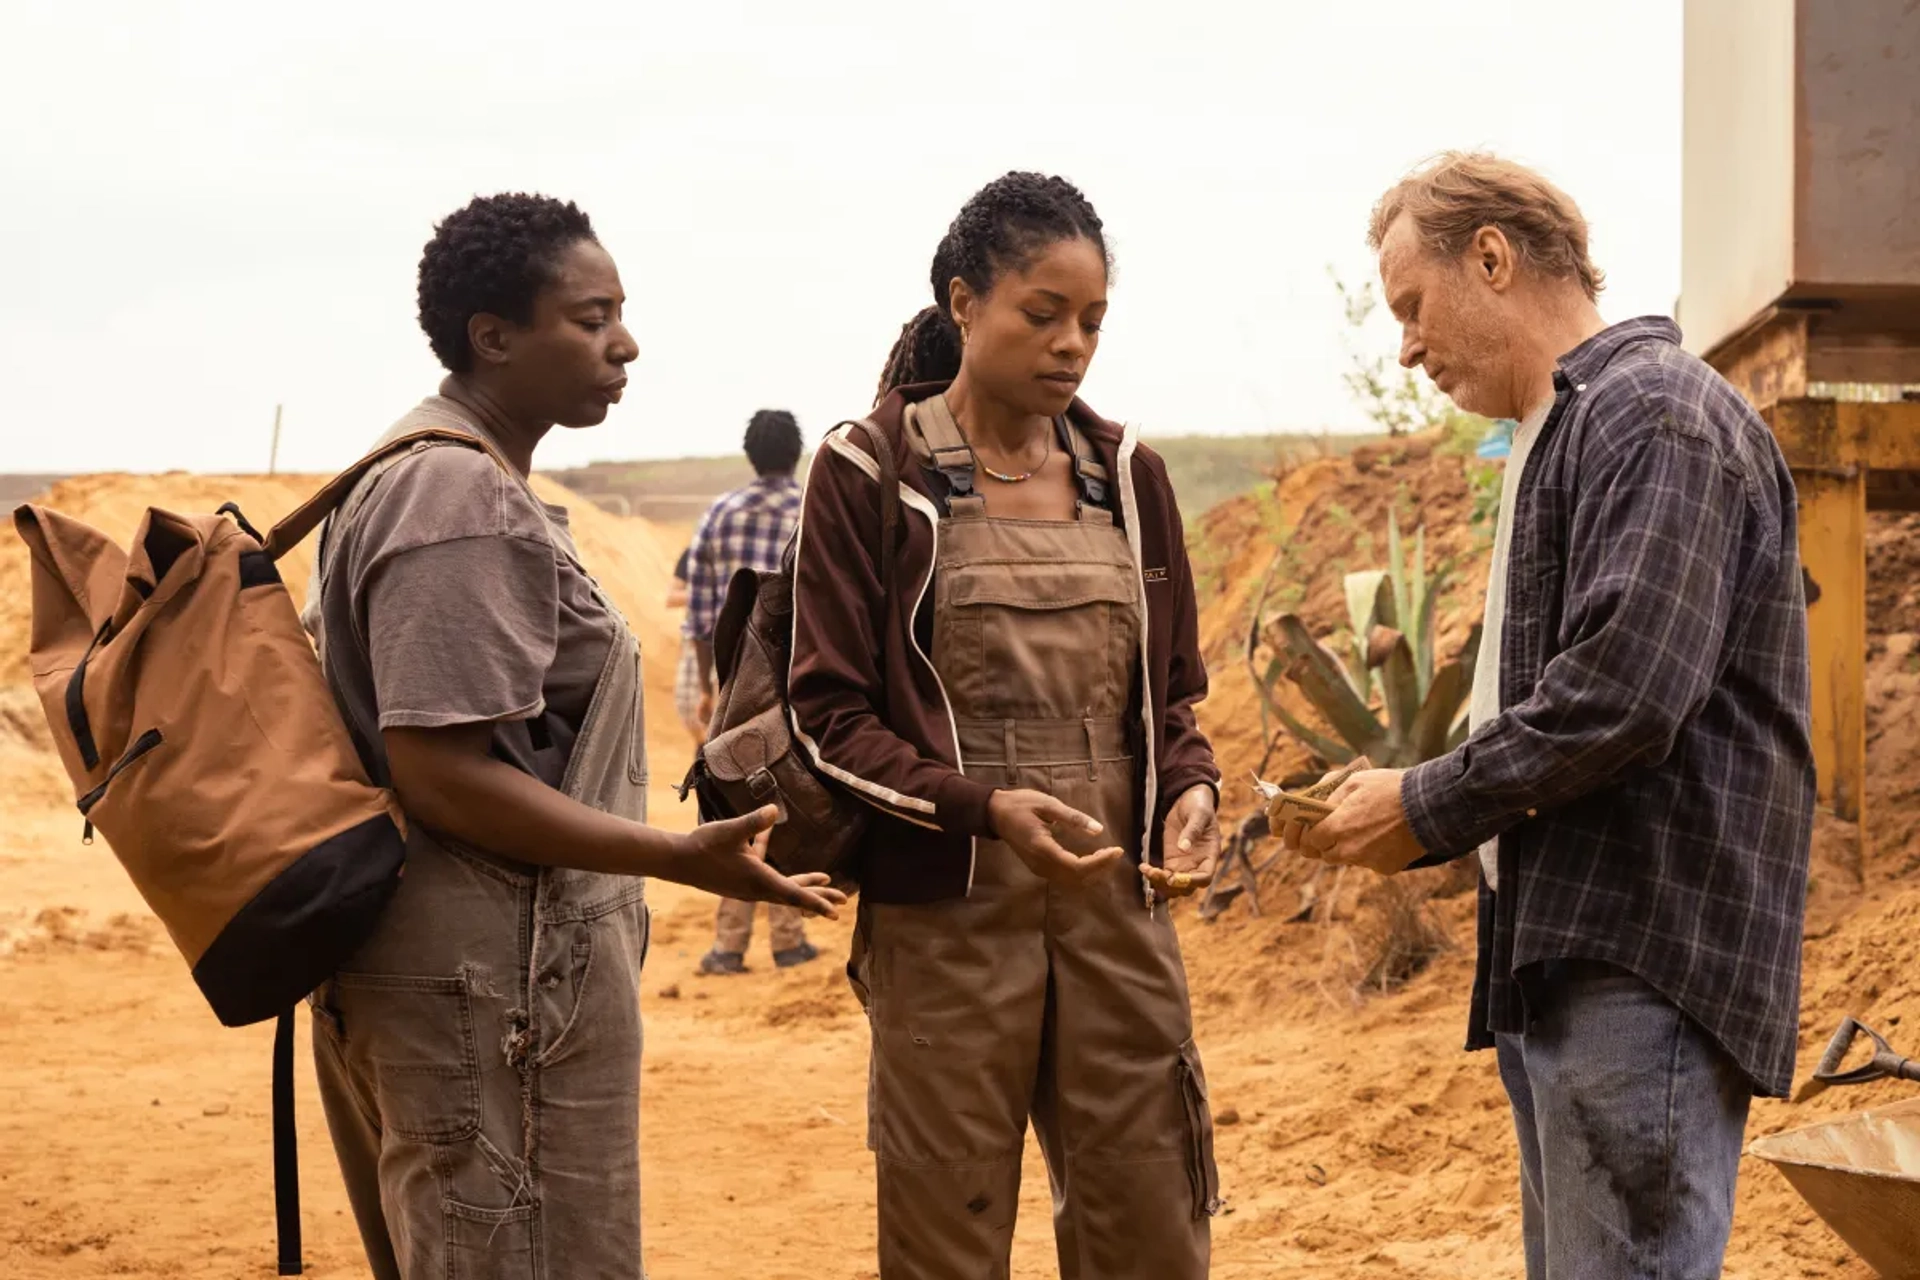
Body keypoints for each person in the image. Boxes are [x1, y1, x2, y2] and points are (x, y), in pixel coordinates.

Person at [1287, 153, 1814, 1278]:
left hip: (1642, 961)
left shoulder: (1654, 415)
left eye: (1413, 308)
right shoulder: (1571, 430)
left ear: (1492, 257)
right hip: (1582, 958)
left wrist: (1425, 800)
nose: (1408, 347)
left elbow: (1625, 692)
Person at [303, 192, 845, 1280]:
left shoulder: (435, 467)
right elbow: (442, 773)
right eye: (591, 318)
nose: (625, 342)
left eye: (621, 313)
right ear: (493, 337)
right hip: (488, 993)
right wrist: (672, 854)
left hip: (478, 985)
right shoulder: (453, 493)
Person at [789, 172, 1224, 1279]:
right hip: (947, 910)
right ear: (965, 301)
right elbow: (830, 717)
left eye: (1092, 321)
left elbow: (1170, 697)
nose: (1072, 343)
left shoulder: (1131, 478)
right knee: (949, 1233)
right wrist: (983, 808)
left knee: (1151, 1223)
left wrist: (1189, 787)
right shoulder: (868, 474)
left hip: (1117, 909)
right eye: (1044, 312)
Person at [686, 409, 816, 975]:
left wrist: (709, 687)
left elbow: (698, 612)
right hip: (798, 680)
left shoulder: (721, 513)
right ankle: (789, 939)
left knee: (739, 803)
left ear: (750, 454)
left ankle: (728, 946)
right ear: (796, 453)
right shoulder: (814, 508)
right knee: (793, 801)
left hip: (735, 683)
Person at [668, 546, 706, 747]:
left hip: (736, 641)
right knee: (688, 710)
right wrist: (708, 592)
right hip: (695, 640)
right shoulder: (693, 552)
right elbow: (671, 597)